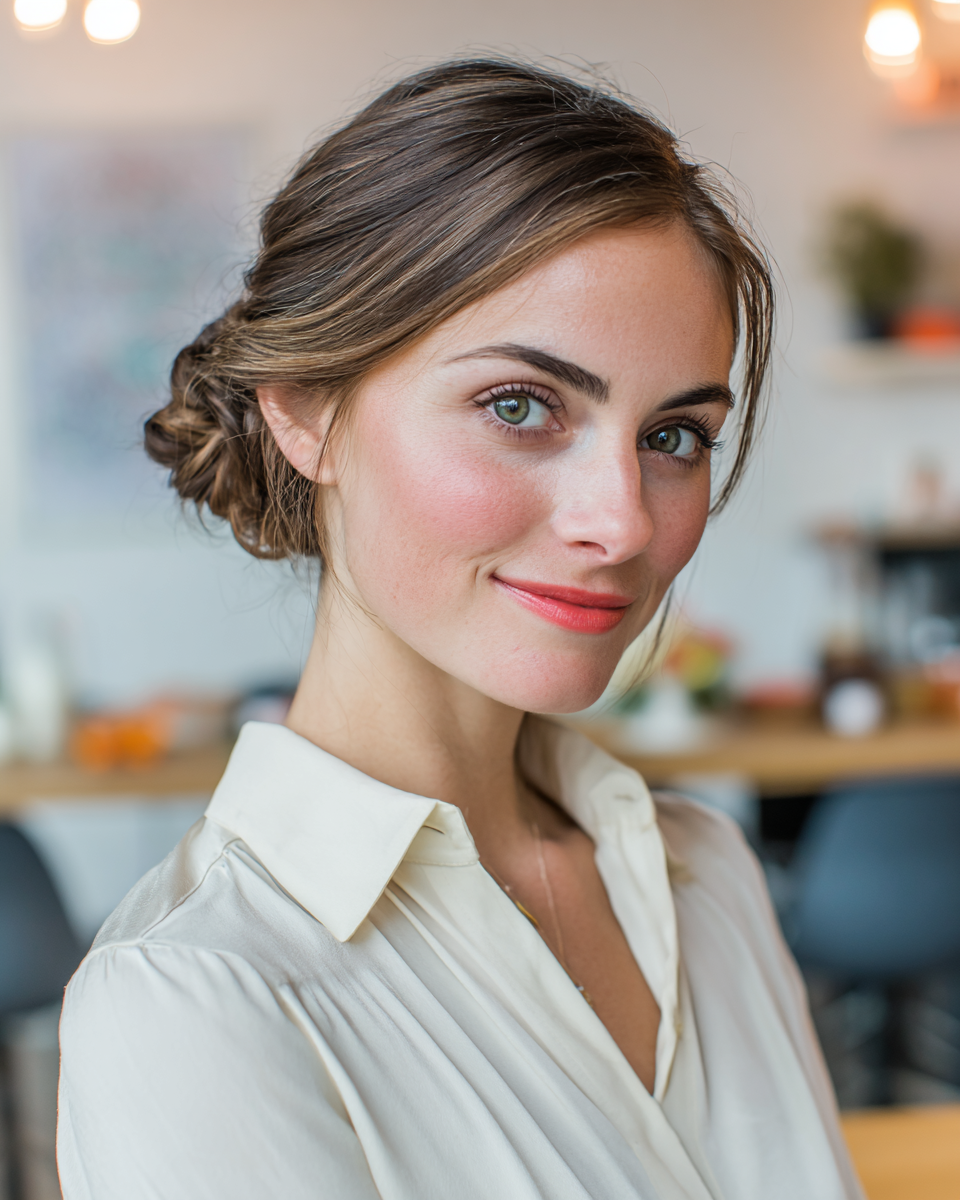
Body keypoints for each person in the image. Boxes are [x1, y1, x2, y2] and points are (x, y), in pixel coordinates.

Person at [57, 58, 863, 1200]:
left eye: (675, 435)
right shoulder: (195, 999)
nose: (622, 521)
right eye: (520, 407)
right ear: (307, 414)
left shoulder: (707, 874)